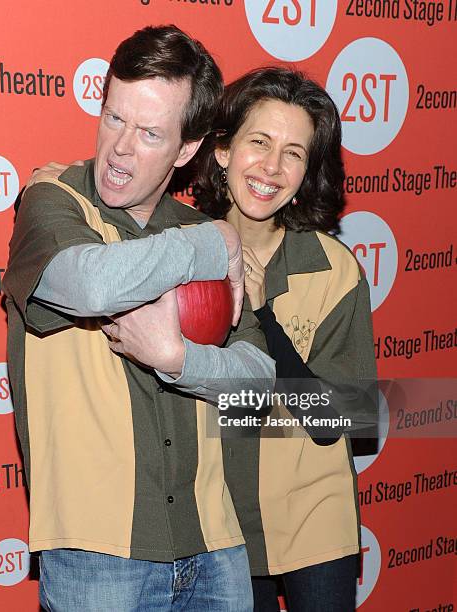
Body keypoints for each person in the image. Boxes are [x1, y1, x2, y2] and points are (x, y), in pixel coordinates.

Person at [3, 26, 275, 612]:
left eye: (149, 132)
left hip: (216, 548)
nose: (120, 147)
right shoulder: (52, 199)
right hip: (97, 558)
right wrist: (215, 241)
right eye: (113, 118)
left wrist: (180, 360)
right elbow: (88, 282)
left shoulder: (190, 225)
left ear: (186, 150)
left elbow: (259, 378)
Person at [193, 67, 377, 611]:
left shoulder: (332, 268)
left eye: (293, 153)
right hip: (217, 526)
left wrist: (262, 313)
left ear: (307, 172)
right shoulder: (181, 251)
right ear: (223, 150)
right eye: (259, 142)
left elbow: (344, 419)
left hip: (314, 526)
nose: (272, 168)